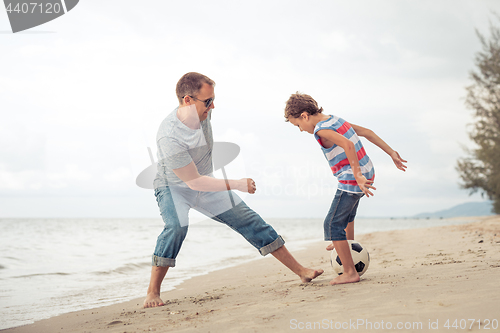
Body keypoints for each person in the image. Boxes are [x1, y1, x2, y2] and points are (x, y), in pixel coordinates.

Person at [144, 73, 323, 308]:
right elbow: (194, 182)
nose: (213, 105)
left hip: (204, 181)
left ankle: (302, 271)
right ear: (187, 100)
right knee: (176, 226)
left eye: (213, 99)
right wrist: (237, 183)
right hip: (173, 187)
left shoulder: (202, 113)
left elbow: (201, 180)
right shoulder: (169, 135)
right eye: (208, 101)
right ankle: (152, 292)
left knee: (250, 220)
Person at [284, 92, 407, 286]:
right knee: (347, 216)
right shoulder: (334, 119)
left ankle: (349, 271)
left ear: (305, 116)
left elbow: (348, 145)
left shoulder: (320, 130)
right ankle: (346, 245)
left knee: (332, 225)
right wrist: (391, 152)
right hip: (367, 173)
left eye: (298, 125)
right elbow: (367, 132)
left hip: (353, 178)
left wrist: (357, 175)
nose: (300, 130)